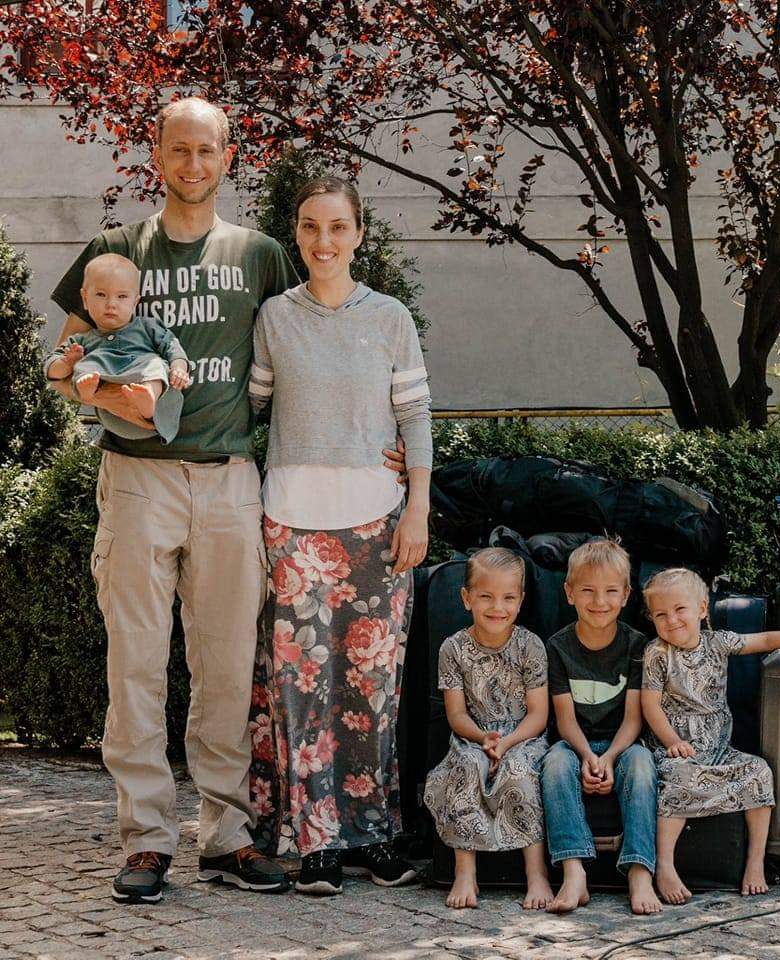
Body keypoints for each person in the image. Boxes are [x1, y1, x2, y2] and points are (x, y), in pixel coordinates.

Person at [47, 97, 405, 905]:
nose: (194, 165)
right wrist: (111, 397)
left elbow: (321, 332)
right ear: (158, 155)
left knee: (222, 665)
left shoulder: (260, 255)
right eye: (180, 150)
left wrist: (377, 432)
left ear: (227, 155)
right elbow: (67, 360)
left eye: (207, 151)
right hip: (138, 476)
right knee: (135, 664)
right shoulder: (116, 249)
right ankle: (144, 842)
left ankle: (227, 835)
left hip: (230, 479)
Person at [246, 176, 430, 898]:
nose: (324, 241)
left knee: (370, 686)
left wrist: (416, 508)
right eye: (311, 227)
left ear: (359, 234)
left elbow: (415, 418)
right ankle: (315, 841)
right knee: (300, 690)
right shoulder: (273, 319)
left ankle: (374, 836)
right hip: (291, 524)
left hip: (378, 527)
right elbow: (252, 408)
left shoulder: (390, 318)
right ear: (297, 233)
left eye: (338, 227)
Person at [640, 567, 780, 902]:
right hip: (678, 749)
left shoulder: (718, 643)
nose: (671, 620)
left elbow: (764, 640)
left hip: (718, 748)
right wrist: (673, 742)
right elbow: (650, 706)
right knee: (678, 778)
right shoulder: (657, 653)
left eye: (680, 610)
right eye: (661, 614)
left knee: (759, 772)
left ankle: (755, 862)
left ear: (702, 609)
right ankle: (664, 865)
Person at [424, 548, 553, 911]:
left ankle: (536, 871)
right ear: (467, 599)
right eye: (486, 597)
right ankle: (465, 869)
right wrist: (483, 739)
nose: (498, 607)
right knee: (465, 768)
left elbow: (538, 714)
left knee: (519, 771)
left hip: (523, 737)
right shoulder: (453, 649)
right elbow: (456, 714)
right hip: (474, 736)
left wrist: (508, 742)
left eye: (508, 598)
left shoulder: (530, 646)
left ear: (521, 600)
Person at [540, 539, 660, 916]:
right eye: (588, 591)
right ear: (569, 592)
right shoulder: (557, 647)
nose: (599, 601)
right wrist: (588, 755)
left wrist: (609, 756)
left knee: (642, 765)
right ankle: (573, 870)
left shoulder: (637, 644)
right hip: (574, 742)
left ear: (626, 595)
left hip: (623, 742)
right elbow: (564, 719)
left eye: (611, 591)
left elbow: (634, 718)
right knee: (555, 765)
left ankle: (640, 869)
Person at [45, 253, 190, 443]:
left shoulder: (146, 327)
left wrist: (179, 367)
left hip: (148, 398)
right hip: (112, 412)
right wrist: (67, 362)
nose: (111, 304)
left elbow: (172, 346)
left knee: (156, 364)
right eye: (101, 294)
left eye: (122, 296)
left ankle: (149, 400)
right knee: (85, 365)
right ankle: (87, 391)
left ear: (135, 302)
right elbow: (50, 369)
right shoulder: (82, 340)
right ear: (85, 298)